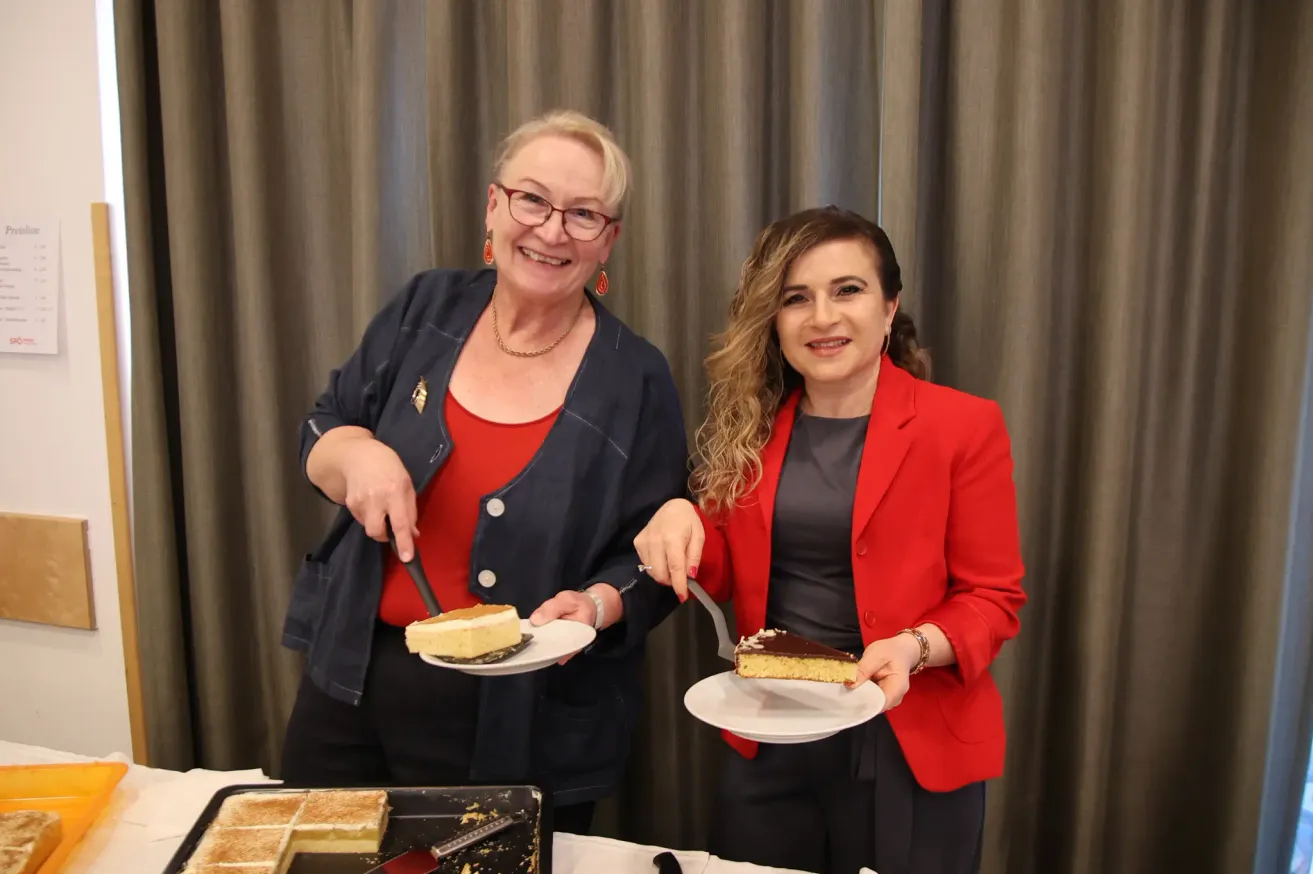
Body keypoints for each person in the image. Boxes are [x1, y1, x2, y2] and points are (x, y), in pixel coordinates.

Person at [279, 109, 689, 835]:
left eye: (584, 213)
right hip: (350, 680)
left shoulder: (637, 379)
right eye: (532, 199)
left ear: (609, 241)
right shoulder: (424, 307)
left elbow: (654, 558)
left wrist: (599, 604)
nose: (552, 230)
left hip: (525, 717)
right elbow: (324, 422)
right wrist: (356, 452)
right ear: (494, 206)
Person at [634, 206, 1026, 874]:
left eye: (847, 290)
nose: (822, 317)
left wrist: (913, 647)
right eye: (796, 299)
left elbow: (993, 598)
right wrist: (680, 514)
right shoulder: (747, 429)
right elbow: (720, 574)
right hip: (771, 731)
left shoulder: (963, 426)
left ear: (889, 304)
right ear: (774, 320)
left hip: (912, 740)